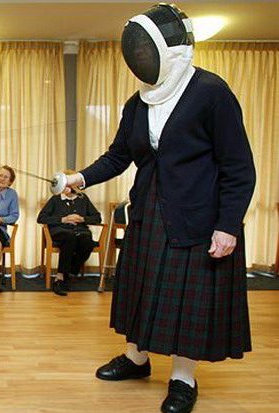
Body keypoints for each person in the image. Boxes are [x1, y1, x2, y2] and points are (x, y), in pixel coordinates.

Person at [61, 4, 255, 413]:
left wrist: (228, 226)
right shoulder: (138, 103)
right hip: (148, 212)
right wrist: (79, 178)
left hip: (197, 216)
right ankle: (137, 359)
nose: (139, 58)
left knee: (186, 303)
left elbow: (239, 168)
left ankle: (183, 379)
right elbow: (118, 156)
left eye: (145, 50)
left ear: (171, 50)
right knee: (141, 289)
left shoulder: (211, 92)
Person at [37, 184, 101, 296]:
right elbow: (41, 218)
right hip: (60, 231)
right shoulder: (56, 199)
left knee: (88, 242)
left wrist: (82, 219)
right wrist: (63, 219)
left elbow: (97, 218)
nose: (67, 188)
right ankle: (60, 277)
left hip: (80, 231)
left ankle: (70, 272)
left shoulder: (83, 199)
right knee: (70, 237)